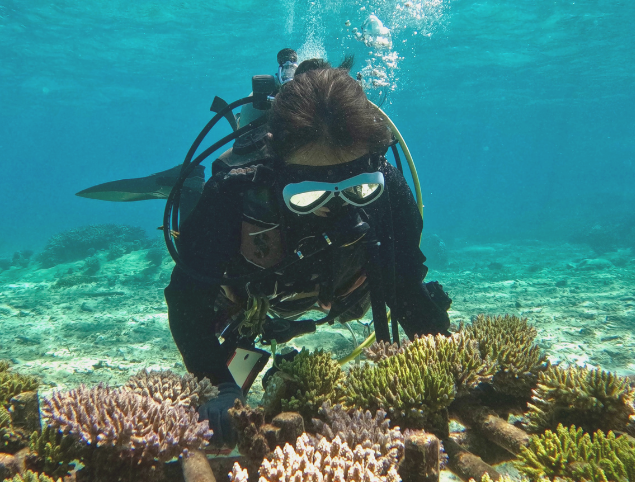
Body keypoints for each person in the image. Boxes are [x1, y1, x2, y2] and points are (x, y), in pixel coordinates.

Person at [164, 61, 451, 446]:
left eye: (357, 189)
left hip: (342, 288)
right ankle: (187, 186)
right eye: (309, 195)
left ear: (373, 165)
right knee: (218, 287)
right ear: (276, 166)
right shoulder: (233, 193)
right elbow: (188, 299)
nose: (334, 207)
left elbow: (405, 285)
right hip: (253, 290)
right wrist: (219, 384)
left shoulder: (388, 187)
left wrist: (447, 360)